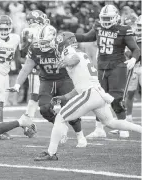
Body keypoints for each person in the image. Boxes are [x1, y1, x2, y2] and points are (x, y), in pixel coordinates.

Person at [34, 32, 142, 161]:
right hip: (98, 93)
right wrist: (65, 97)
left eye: (58, 42)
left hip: (90, 94)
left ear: (63, 43)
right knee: (110, 123)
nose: (56, 45)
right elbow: (80, 84)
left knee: (60, 118)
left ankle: (51, 153)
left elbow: (74, 59)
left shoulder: (69, 52)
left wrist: (65, 62)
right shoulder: (81, 53)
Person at [10, 25, 87, 147]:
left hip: (64, 80)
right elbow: (26, 69)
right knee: (44, 109)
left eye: (46, 42)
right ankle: (61, 126)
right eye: (41, 42)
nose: (42, 45)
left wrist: (67, 62)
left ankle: (80, 135)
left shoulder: (61, 45)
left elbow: (76, 58)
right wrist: (17, 84)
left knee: (70, 110)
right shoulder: (35, 48)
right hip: (47, 81)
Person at [74, 4, 140, 138]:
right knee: (98, 99)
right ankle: (99, 129)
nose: (106, 20)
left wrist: (133, 59)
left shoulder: (123, 29)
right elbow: (87, 37)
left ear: (116, 17)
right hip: (102, 66)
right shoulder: (98, 26)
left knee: (116, 99)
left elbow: (136, 49)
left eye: (109, 17)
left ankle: (123, 127)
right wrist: (70, 36)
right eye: (104, 17)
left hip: (118, 66)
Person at [19, 10, 49, 137]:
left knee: (36, 96)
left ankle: (28, 121)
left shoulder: (26, 31)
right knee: (38, 96)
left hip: (35, 67)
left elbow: (22, 53)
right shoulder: (44, 30)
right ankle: (28, 120)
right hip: (45, 66)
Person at [125, 15, 141, 123]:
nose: (139, 27)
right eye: (139, 25)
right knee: (130, 93)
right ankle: (128, 118)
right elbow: (127, 51)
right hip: (134, 66)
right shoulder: (132, 35)